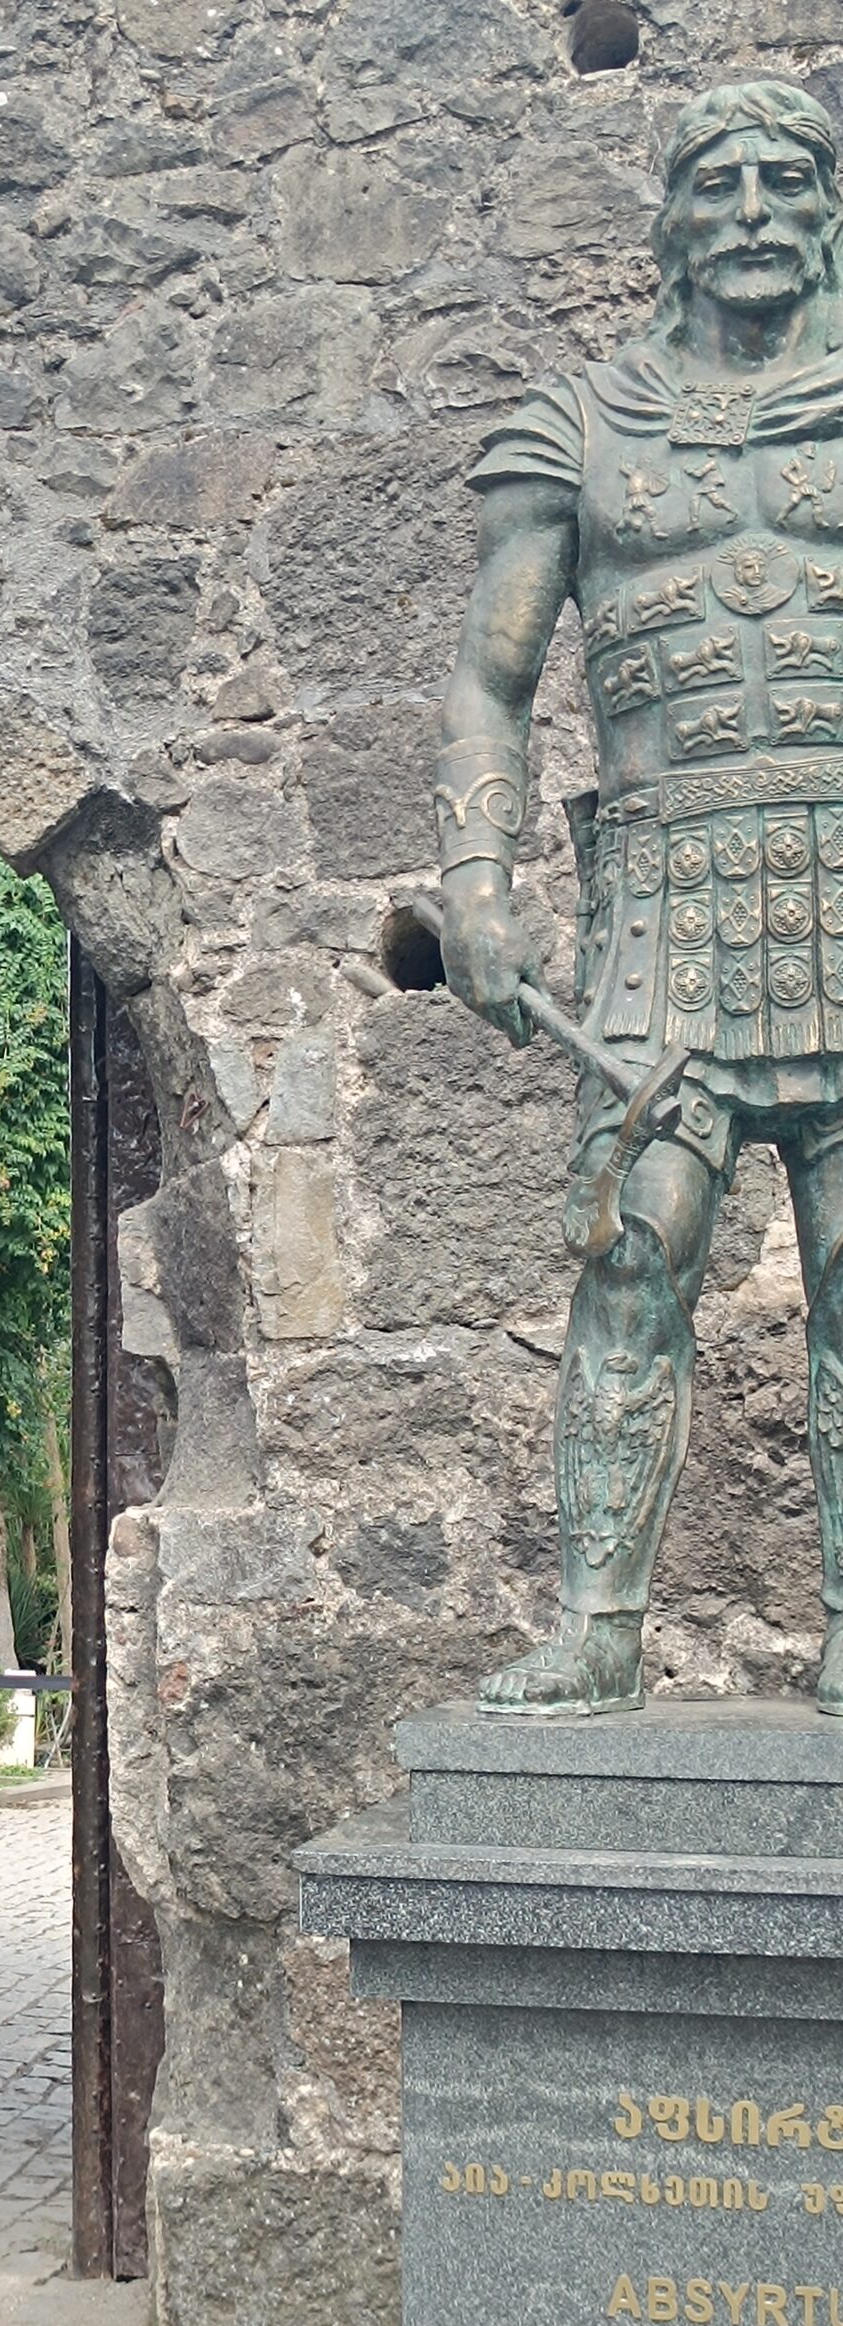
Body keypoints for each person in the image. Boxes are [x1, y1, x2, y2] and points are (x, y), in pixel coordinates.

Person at [435, 80, 843, 1711]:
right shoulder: (580, 427)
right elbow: (491, 680)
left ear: (826, 210)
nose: (752, 212)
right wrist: (479, 879)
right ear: (670, 220)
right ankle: (600, 1628)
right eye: (719, 184)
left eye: (784, 181)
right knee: (631, 1258)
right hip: (667, 907)